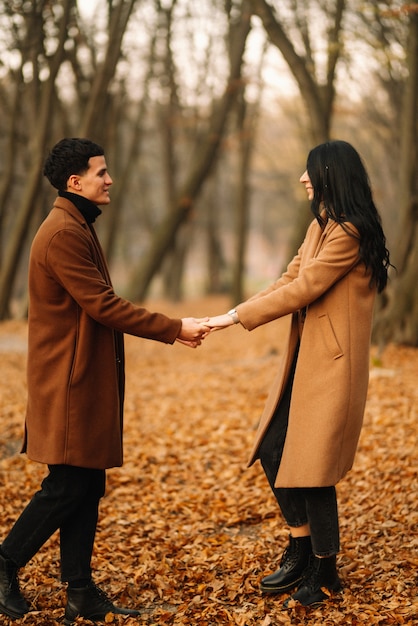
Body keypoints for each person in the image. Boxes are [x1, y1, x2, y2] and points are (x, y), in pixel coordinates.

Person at [0, 137, 209, 624]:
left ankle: (81, 591)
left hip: (82, 375)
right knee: (67, 486)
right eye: (101, 172)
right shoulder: (62, 233)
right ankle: (6, 562)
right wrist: (174, 328)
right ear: (76, 182)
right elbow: (103, 305)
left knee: (86, 485)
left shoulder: (76, 223)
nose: (109, 179)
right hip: (68, 381)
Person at [205, 140, 391, 607]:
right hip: (306, 360)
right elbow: (290, 277)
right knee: (273, 446)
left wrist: (235, 318)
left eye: (310, 171)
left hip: (332, 365)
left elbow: (306, 288)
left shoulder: (348, 231)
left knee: (313, 468)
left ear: (330, 174)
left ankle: (325, 570)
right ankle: (301, 546)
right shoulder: (319, 227)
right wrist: (236, 312)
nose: (303, 179)